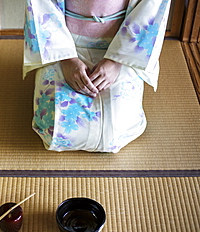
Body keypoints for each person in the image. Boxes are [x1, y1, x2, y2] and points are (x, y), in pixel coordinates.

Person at [23, 0, 171, 153]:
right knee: (53, 127)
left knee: (116, 130)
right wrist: (67, 60)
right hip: (63, 44)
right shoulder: (65, 54)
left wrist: (115, 61)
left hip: (123, 44)